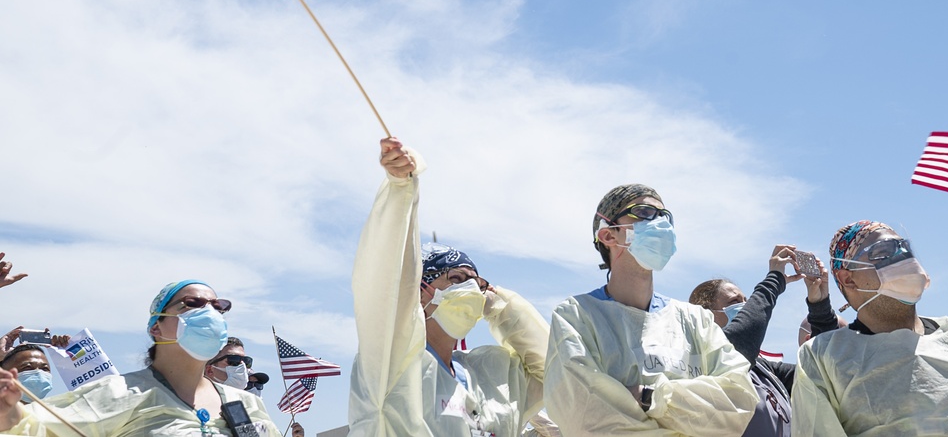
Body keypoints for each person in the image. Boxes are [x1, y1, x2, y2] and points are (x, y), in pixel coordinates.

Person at [348, 138, 550, 436]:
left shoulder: (489, 377)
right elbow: (387, 275)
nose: (470, 290)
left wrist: (503, 304)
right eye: (456, 279)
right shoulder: (392, 365)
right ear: (420, 289)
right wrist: (401, 190)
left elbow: (553, 371)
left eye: (477, 283)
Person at [545, 183, 758, 436]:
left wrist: (650, 396)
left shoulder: (695, 320)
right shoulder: (576, 316)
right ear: (609, 235)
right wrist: (690, 414)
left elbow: (739, 402)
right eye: (645, 212)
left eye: (664, 216)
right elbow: (585, 416)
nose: (661, 224)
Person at [792, 220, 948, 436]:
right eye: (884, 251)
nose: (903, 256)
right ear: (848, 279)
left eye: (905, 248)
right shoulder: (823, 357)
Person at [0, 279, 282, 435]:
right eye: (192, 304)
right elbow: (29, 426)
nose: (209, 312)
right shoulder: (117, 393)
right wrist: (7, 408)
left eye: (217, 306)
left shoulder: (246, 404)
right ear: (156, 326)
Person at [688, 245, 839, 437]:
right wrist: (774, 279)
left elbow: (821, 370)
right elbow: (739, 344)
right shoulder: (701, 360)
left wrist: (820, 304)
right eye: (735, 302)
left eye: (747, 300)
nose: (746, 307)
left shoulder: (765, 371)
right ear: (706, 316)